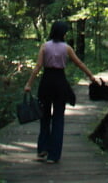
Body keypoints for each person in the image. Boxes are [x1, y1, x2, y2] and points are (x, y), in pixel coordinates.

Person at [24, 19, 98, 164]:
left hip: (46, 83)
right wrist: (91, 76)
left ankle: (42, 148)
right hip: (60, 83)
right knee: (58, 118)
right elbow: (79, 63)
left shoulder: (45, 46)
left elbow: (38, 66)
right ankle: (54, 155)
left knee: (44, 116)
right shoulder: (67, 48)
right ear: (63, 33)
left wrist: (29, 84)